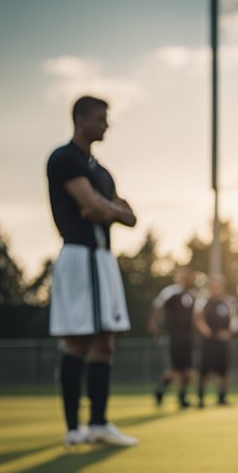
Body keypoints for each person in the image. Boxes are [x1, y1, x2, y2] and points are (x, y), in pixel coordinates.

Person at [47, 95, 138, 447]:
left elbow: (129, 216)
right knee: (78, 340)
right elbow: (95, 208)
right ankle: (74, 429)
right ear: (80, 119)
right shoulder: (64, 158)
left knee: (106, 341)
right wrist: (105, 208)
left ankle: (99, 423)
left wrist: (107, 208)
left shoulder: (101, 171)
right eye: (100, 118)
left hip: (103, 259)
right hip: (78, 256)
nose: (106, 125)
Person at [150, 267, 198, 408]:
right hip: (174, 335)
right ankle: (178, 396)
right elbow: (157, 307)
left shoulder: (192, 295)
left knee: (186, 369)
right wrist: (153, 324)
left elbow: (196, 316)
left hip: (188, 336)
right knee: (177, 369)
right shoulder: (170, 291)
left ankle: (164, 391)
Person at [194, 275, 238, 407]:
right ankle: (201, 398)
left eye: (218, 286)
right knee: (204, 370)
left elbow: (235, 320)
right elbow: (197, 317)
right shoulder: (204, 301)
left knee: (223, 371)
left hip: (222, 343)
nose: (216, 289)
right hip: (208, 342)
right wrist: (204, 330)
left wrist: (229, 333)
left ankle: (222, 398)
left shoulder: (229, 302)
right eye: (214, 286)